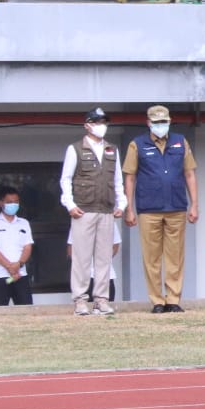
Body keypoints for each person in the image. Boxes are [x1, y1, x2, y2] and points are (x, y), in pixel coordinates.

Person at [123, 104, 199, 314]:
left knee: (175, 256)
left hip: (176, 206)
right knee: (151, 257)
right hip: (149, 208)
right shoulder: (136, 145)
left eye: (163, 122)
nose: (160, 126)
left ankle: (173, 299)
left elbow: (190, 174)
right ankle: (157, 300)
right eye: (156, 122)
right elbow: (130, 177)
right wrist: (129, 208)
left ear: (170, 121)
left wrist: (195, 204)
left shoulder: (180, 142)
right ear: (148, 123)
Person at [60, 106, 126, 316]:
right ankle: (80, 300)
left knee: (104, 258)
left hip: (106, 209)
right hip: (84, 209)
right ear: (87, 125)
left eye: (104, 122)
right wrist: (70, 204)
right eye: (97, 122)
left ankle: (101, 300)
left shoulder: (112, 149)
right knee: (81, 257)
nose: (101, 126)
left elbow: (118, 181)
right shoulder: (75, 149)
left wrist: (121, 203)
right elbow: (66, 179)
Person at [0, 186, 34, 307]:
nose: (13, 205)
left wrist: (19, 264)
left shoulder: (24, 223)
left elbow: (27, 247)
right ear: (1, 203)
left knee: (26, 309)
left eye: (16, 202)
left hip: (20, 274)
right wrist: (9, 267)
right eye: (9, 202)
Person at [69, 219, 121, 303]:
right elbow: (70, 249)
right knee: (84, 310)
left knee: (106, 310)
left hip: (106, 275)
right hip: (84, 277)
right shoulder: (78, 222)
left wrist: (103, 260)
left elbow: (115, 245)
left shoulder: (109, 221)